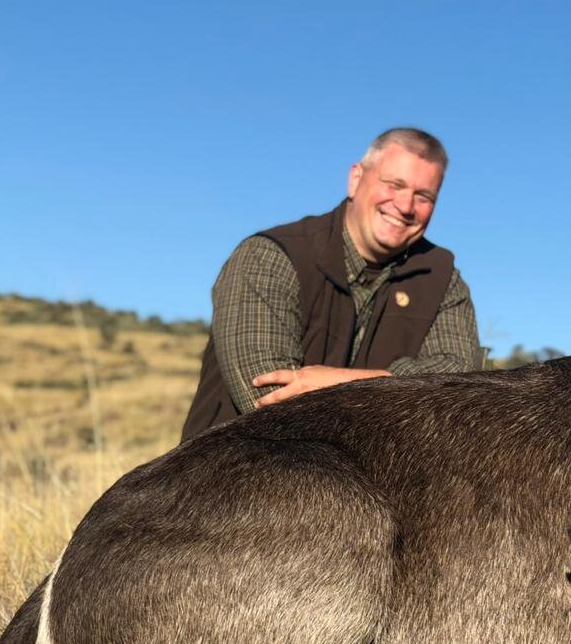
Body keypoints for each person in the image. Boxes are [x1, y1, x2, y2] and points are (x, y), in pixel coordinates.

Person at [182, 127, 480, 440]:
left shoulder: (443, 278)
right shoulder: (269, 256)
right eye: (394, 185)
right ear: (356, 178)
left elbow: (458, 387)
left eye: (424, 196)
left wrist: (339, 382)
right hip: (233, 469)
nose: (406, 206)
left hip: (369, 482)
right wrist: (397, 392)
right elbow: (269, 400)